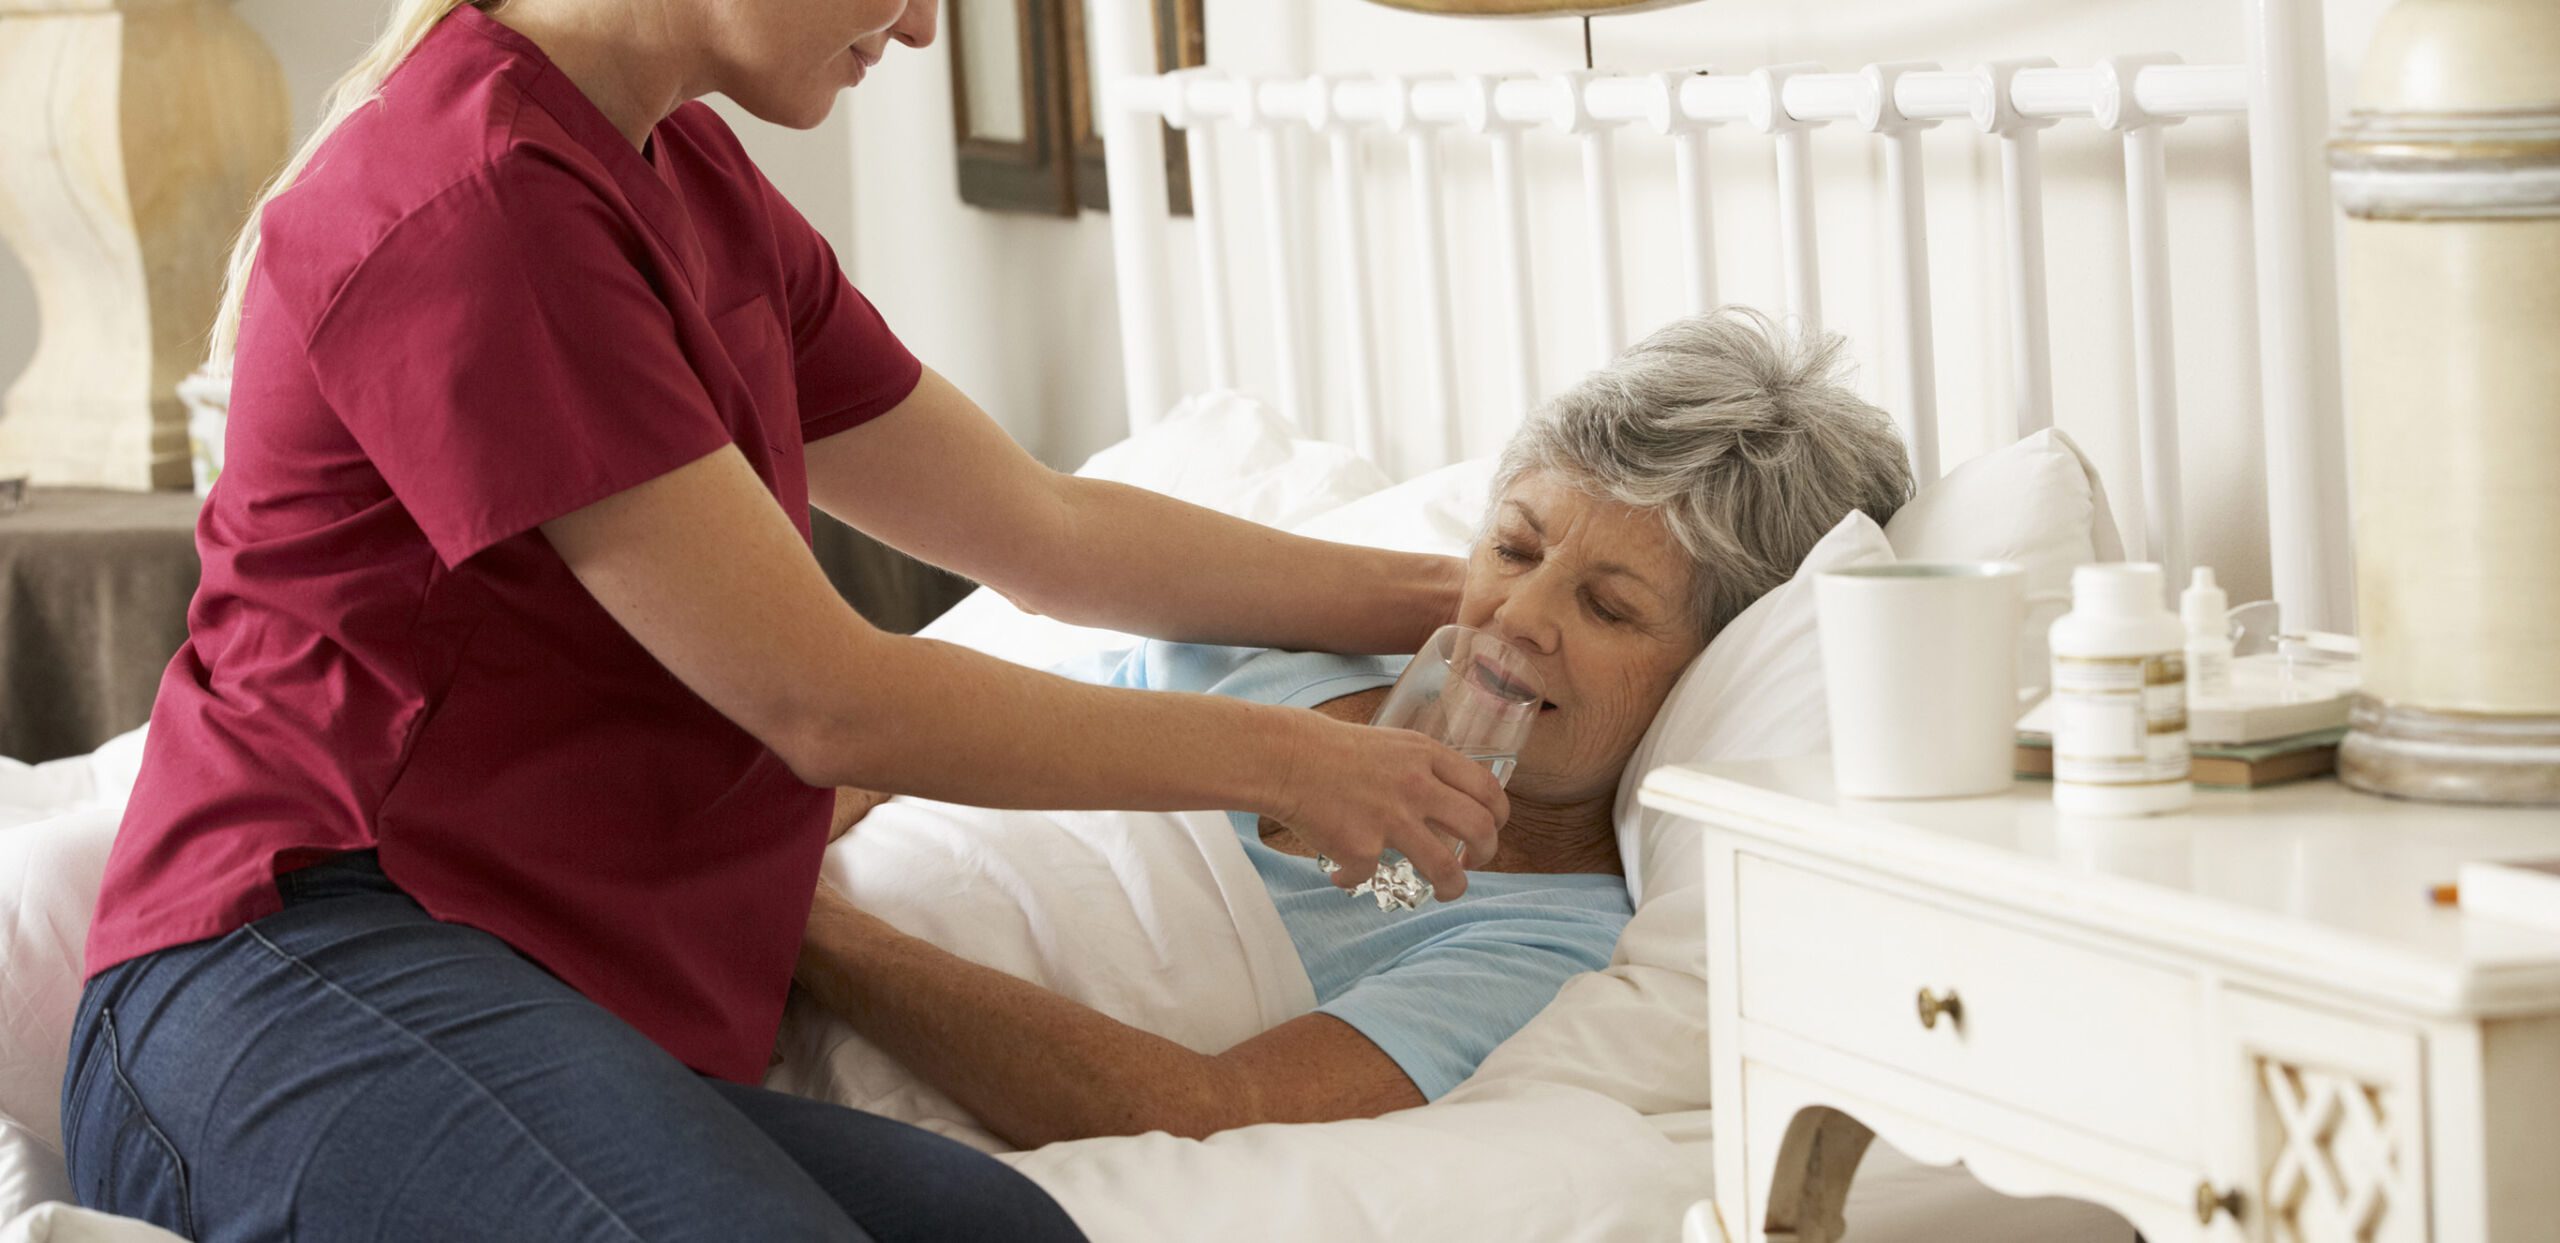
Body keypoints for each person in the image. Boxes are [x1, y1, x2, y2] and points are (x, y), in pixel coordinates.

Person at [59, 1, 1514, 1240]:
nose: (927, 22)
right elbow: (829, 701)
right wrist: (1291, 761)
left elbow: (1049, 533)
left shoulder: (682, 179)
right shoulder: (482, 196)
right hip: (293, 973)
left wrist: (1459, 594)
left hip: (535, 998)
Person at [793, 309, 1916, 1148]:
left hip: (804, 1018)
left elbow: (1200, 1112)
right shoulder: (1273, 651)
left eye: (1608, 606)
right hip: (718, 905)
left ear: (1710, 674)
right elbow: (930, 730)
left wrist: (810, 931)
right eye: (1515, 549)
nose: (1515, 618)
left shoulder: (1545, 941)